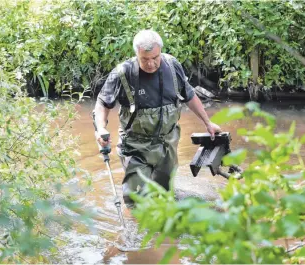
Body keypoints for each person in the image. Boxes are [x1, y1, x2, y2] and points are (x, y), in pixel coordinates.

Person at [94, 29, 221, 209]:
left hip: (167, 144)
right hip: (135, 146)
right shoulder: (122, 74)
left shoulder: (172, 65)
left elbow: (190, 96)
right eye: (144, 59)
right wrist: (101, 128)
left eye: (155, 57)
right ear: (136, 54)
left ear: (160, 51)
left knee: (164, 195)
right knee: (135, 199)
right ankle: (138, 232)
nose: (151, 63)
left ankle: (165, 233)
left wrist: (208, 123)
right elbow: (102, 104)